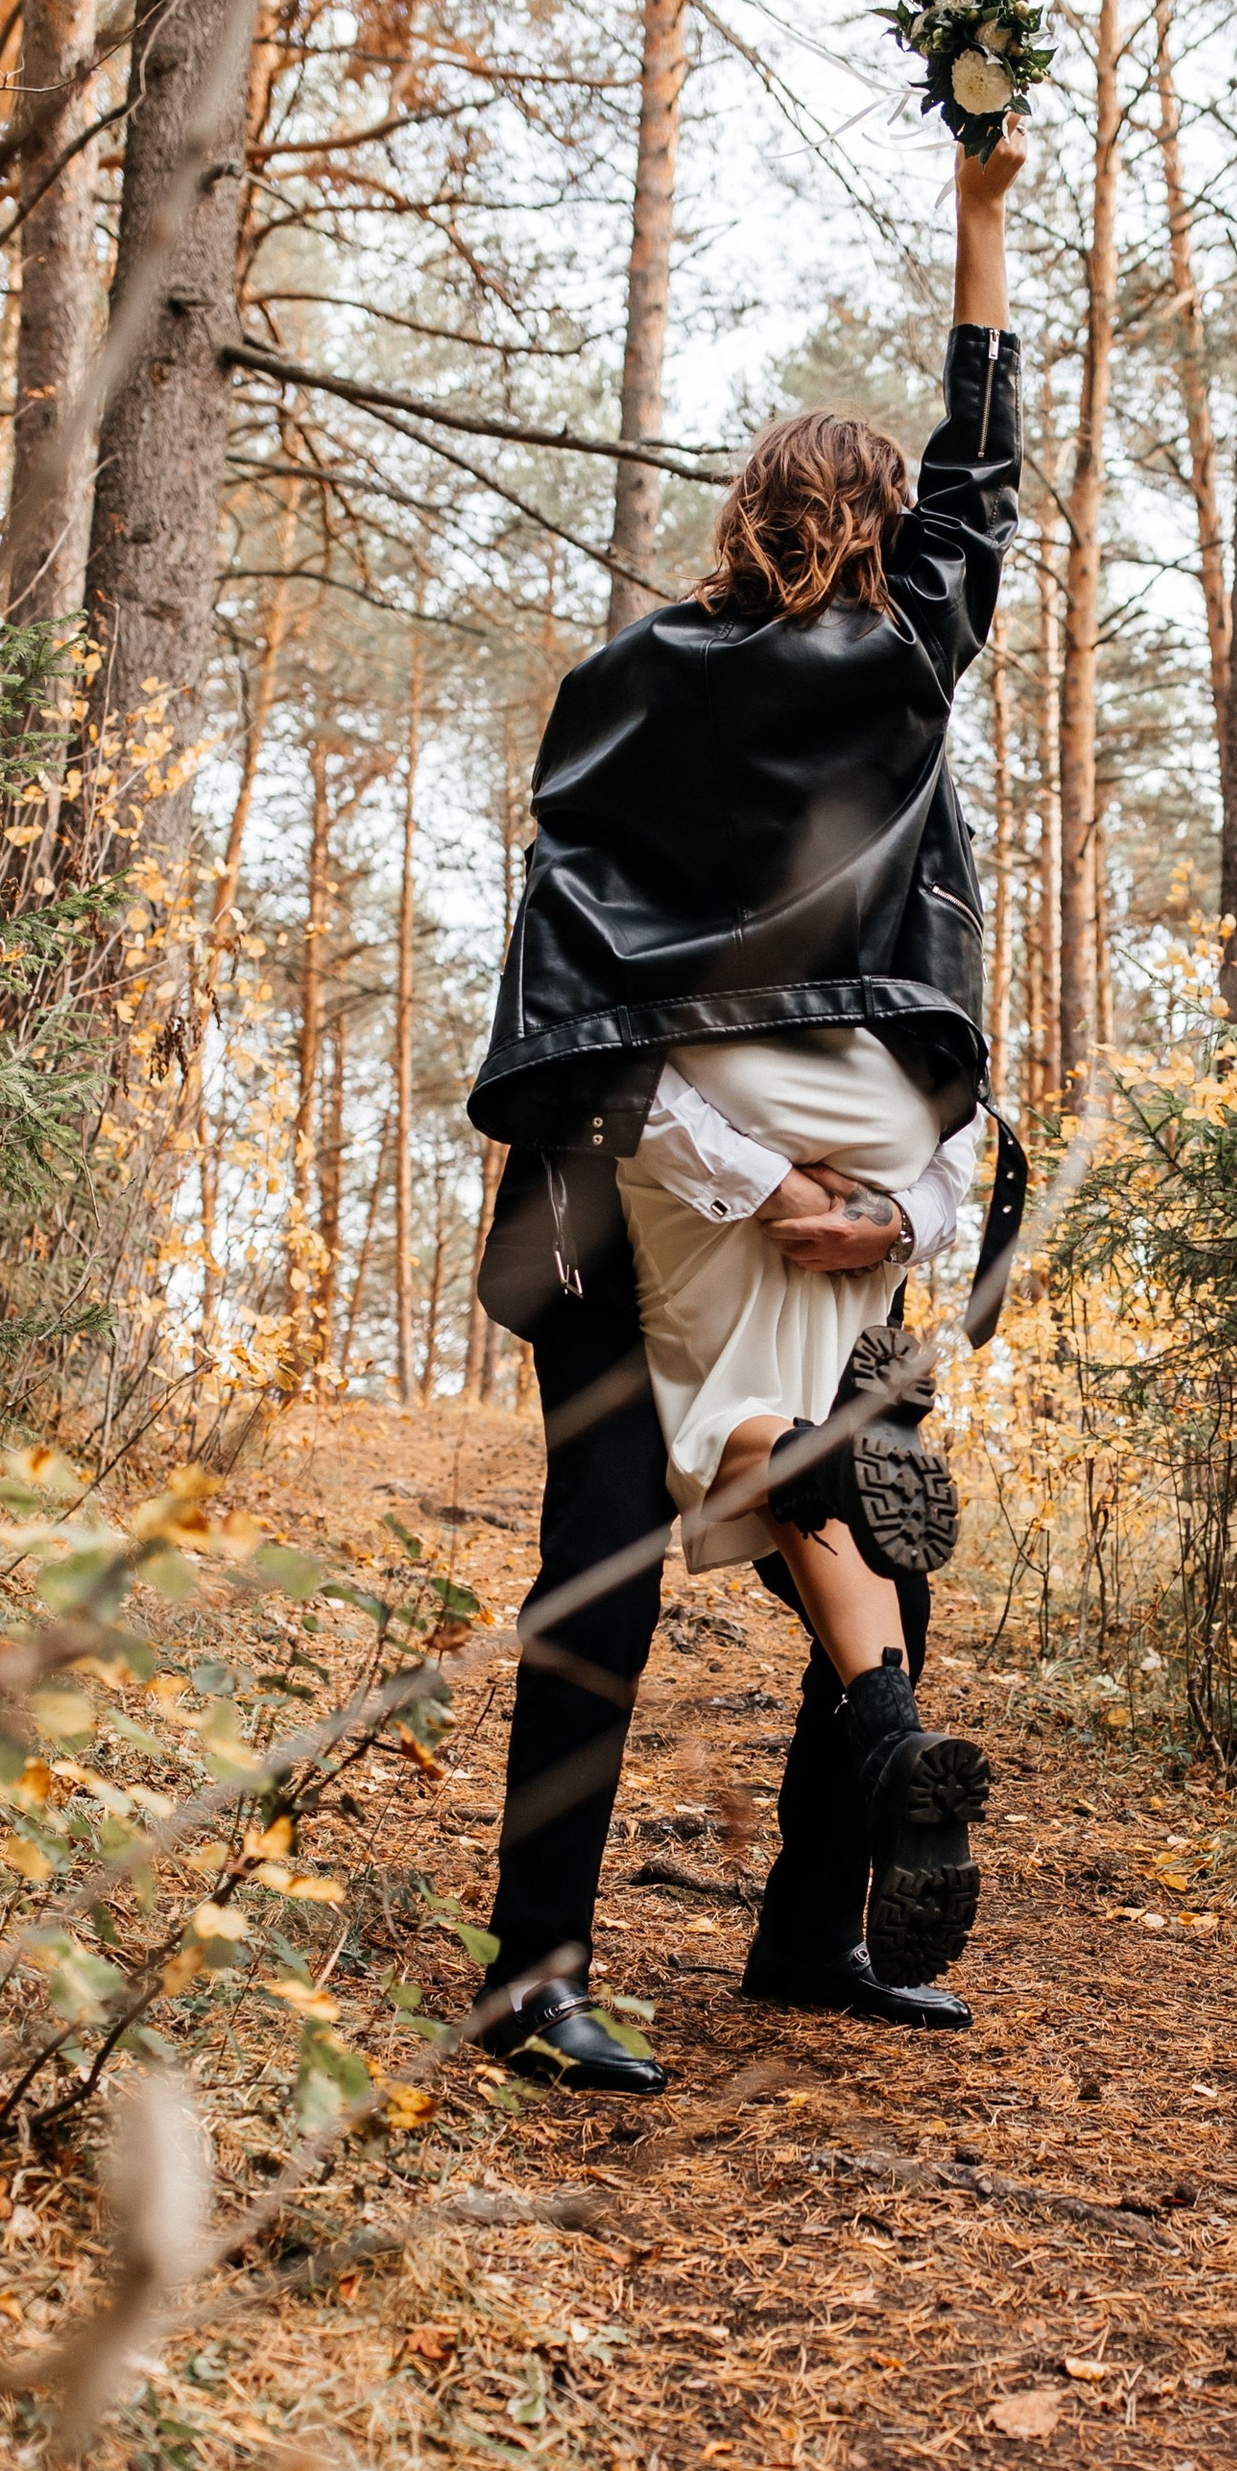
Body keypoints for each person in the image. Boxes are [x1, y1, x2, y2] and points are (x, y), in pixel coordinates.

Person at [463, 132, 1026, 2095]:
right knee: (636, 1553)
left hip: (689, 1182)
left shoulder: (654, 684)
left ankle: (813, 1935)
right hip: (660, 1213)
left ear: (748, 516)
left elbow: (584, 988)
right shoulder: (877, 669)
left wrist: (864, 1199)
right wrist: (980, 214)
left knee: (828, 1528)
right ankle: (537, 1977)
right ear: (878, 535)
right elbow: (984, 480)